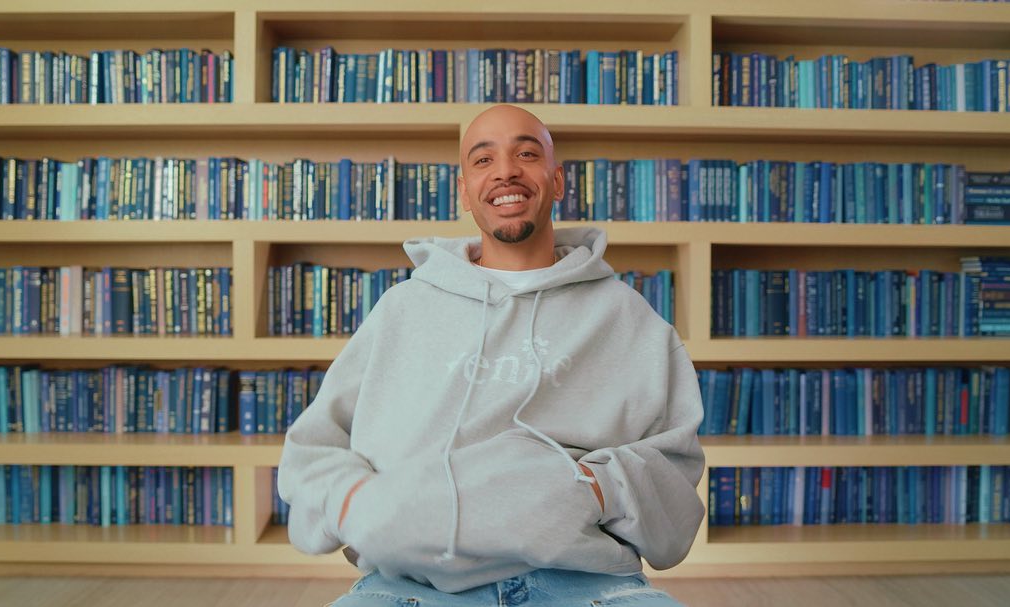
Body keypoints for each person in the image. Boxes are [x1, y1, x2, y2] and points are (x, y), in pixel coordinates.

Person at [277, 104, 705, 606]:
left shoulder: (630, 319)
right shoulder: (402, 310)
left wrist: (591, 486)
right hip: (410, 588)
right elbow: (312, 452)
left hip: (587, 585)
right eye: (483, 160)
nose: (506, 171)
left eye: (527, 153)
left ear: (558, 179)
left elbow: (675, 477)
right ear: (464, 191)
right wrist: (356, 504)